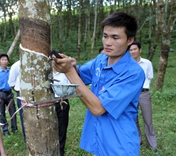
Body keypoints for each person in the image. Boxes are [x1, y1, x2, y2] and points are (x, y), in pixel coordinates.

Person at [52, 12, 145, 155]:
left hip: (119, 145)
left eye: (115, 37)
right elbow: (81, 75)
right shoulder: (101, 60)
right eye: (105, 36)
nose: (107, 42)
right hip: (99, 139)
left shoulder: (133, 73)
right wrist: (70, 66)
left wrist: (69, 72)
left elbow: (98, 108)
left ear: (130, 40)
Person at [130, 41, 158, 152]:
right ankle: (138, 140)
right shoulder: (127, 64)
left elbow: (149, 77)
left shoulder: (147, 63)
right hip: (131, 94)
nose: (132, 51)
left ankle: (152, 145)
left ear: (140, 50)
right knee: (133, 118)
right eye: (130, 50)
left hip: (144, 93)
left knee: (148, 119)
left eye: (134, 49)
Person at [0, 53, 17, 136]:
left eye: (6, 59)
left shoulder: (10, 71)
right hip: (1, 94)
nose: (4, 61)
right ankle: (5, 130)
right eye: (2, 60)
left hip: (9, 94)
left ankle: (14, 128)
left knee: (13, 111)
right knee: (1, 113)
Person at [52, 56, 71, 156]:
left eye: (56, 60)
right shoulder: (46, 74)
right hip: (49, 104)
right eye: (52, 60)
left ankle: (60, 151)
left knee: (62, 128)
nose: (54, 62)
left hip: (62, 102)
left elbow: (71, 86)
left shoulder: (65, 74)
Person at [8, 60, 26, 140]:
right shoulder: (16, 65)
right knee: (24, 119)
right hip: (22, 96)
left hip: (38, 97)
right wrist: (19, 92)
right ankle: (27, 140)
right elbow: (11, 83)